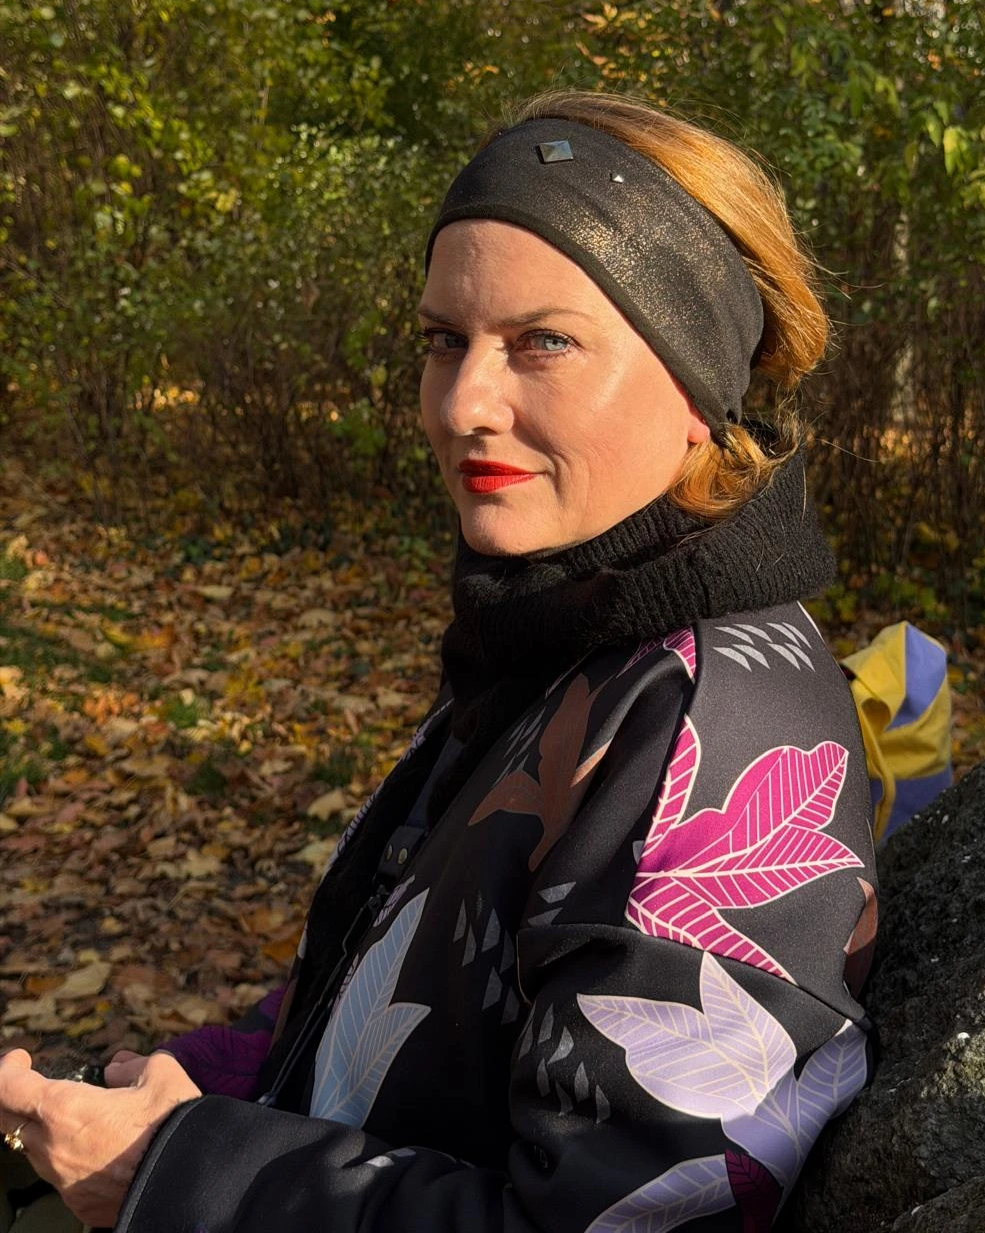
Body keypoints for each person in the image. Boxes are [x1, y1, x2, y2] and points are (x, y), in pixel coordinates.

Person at [0, 90, 879, 1233]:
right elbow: (399, 969)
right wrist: (198, 1082)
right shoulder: (560, 632)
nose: (463, 403)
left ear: (697, 383)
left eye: (544, 342)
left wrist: (179, 1172)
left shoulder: (707, 733)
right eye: (443, 340)